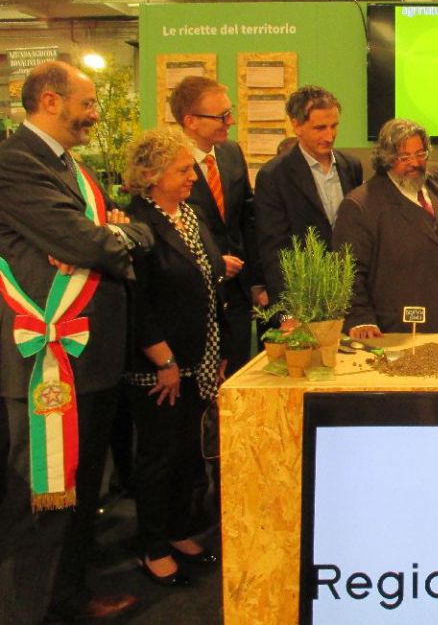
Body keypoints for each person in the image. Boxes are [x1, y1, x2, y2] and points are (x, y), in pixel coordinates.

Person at [0, 61, 152, 624]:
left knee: (82, 492)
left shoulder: (72, 167)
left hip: (91, 358)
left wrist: (114, 234)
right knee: (41, 499)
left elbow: (130, 234)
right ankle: (25, 610)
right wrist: (105, 238)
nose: (94, 114)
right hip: (47, 362)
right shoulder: (16, 163)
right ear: (49, 101)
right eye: (86, 103)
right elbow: (88, 243)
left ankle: (66, 597)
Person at [123, 128, 224, 588]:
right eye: (183, 170)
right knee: (159, 458)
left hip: (199, 357)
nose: (192, 176)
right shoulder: (136, 223)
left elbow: (207, 283)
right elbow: (136, 300)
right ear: (151, 175)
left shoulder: (190, 214)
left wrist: (215, 352)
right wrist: (163, 361)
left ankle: (180, 529)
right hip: (160, 366)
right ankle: (153, 546)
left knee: (187, 454)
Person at [334, 119, 438, 337]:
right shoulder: (360, 205)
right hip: (397, 331)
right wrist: (360, 319)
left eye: (420, 154)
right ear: (386, 159)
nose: (414, 163)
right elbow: (347, 272)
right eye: (404, 157)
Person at [170, 76, 263, 377]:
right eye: (222, 116)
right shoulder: (168, 164)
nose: (230, 121)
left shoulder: (231, 152)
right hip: (196, 297)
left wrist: (256, 281)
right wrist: (212, 262)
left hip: (237, 294)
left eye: (230, 112)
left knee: (236, 376)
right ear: (191, 121)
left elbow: (247, 219)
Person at [254, 86, 362, 306]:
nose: (329, 136)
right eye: (320, 128)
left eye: (334, 126)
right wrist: (285, 311)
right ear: (297, 126)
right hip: (304, 295)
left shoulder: (351, 166)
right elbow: (274, 251)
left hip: (348, 291)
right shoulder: (274, 176)